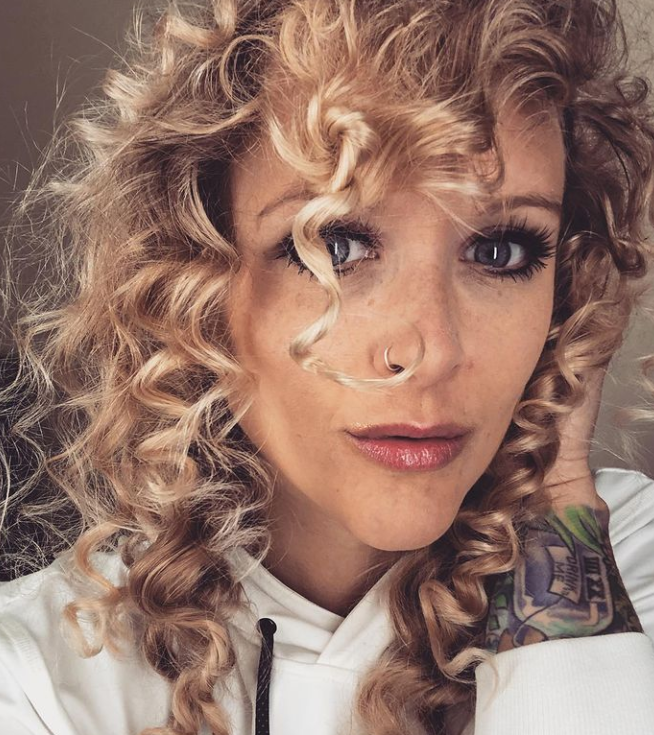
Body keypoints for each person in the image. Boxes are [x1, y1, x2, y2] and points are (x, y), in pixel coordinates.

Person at [1, 0, 654, 733]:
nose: (432, 351)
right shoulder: (41, 678)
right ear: (193, 279)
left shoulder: (633, 566)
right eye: (333, 244)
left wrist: (555, 501)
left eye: (500, 251)